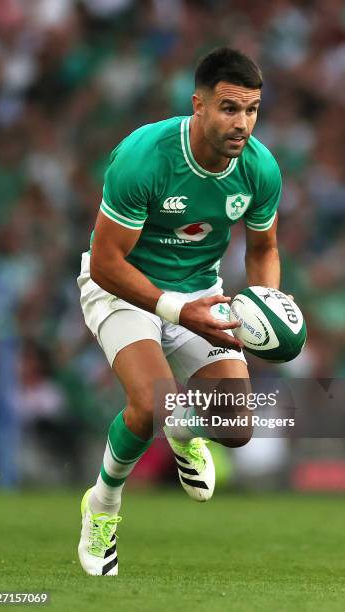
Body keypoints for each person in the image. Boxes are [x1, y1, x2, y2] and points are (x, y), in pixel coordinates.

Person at [77, 47, 282, 576]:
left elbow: (262, 251)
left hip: (201, 294)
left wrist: (266, 306)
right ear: (199, 105)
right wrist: (176, 309)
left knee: (236, 427)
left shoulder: (260, 169)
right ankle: (102, 507)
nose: (243, 123)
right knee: (148, 406)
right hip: (124, 289)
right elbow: (105, 262)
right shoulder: (146, 156)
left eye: (252, 109)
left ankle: (184, 429)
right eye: (230, 109)